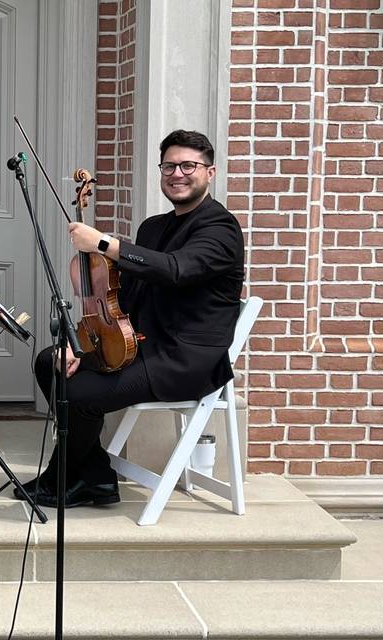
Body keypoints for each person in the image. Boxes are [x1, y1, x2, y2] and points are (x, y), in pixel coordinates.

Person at [16, 129, 244, 508]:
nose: (178, 173)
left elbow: (175, 269)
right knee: (49, 361)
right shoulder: (154, 227)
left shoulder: (220, 228)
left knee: (78, 394)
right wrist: (83, 347)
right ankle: (97, 476)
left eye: (189, 165)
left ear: (210, 172)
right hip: (137, 344)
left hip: (183, 359)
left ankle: (66, 476)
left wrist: (104, 243)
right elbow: (127, 298)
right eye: (169, 165)